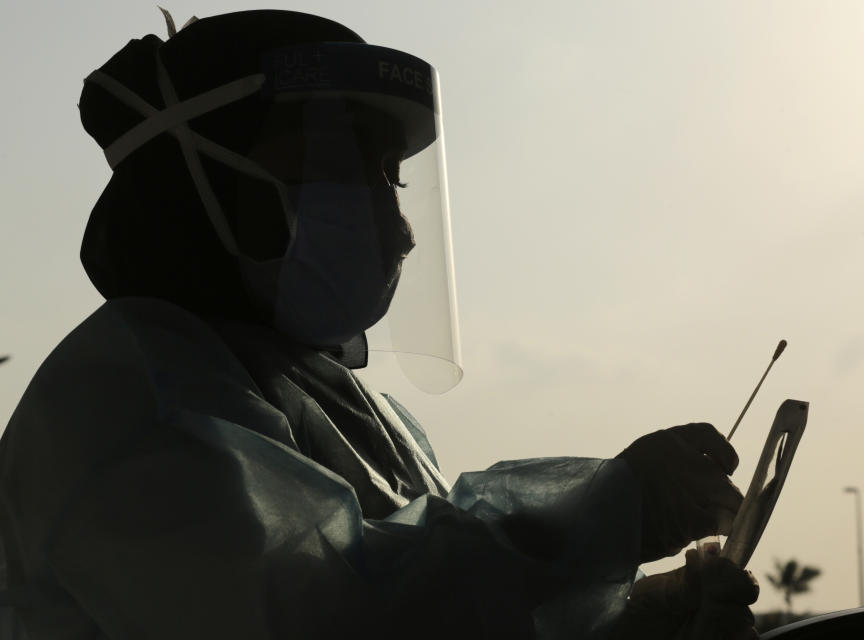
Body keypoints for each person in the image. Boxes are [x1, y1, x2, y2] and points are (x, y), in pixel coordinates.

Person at [0, 10, 758, 639]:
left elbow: (448, 602)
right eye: (344, 166)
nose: (398, 230)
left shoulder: (351, 410)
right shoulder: (121, 402)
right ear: (203, 185)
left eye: (391, 177)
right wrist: (602, 519)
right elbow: (329, 618)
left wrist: (628, 621)